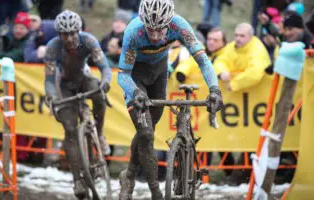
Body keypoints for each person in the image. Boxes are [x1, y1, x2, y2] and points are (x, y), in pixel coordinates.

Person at [117, 0, 223, 199]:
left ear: (169, 23)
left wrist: (215, 90)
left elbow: (202, 59)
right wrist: (136, 93)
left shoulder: (179, 25)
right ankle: (156, 192)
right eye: (151, 30)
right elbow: (122, 75)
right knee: (146, 134)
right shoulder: (133, 32)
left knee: (146, 132)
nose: (156, 36)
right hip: (135, 77)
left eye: (160, 30)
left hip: (159, 74)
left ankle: (129, 174)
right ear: (143, 23)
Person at [43, 10, 112, 199]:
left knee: (98, 93)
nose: (70, 38)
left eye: (73, 33)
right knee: (70, 129)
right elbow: (49, 79)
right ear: (59, 34)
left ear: (79, 31)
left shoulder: (89, 41)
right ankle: (77, 181)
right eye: (65, 34)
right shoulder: (52, 47)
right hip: (64, 86)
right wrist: (50, 95)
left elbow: (105, 67)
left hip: (83, 78)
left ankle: (100, 133)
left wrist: (106, 80)